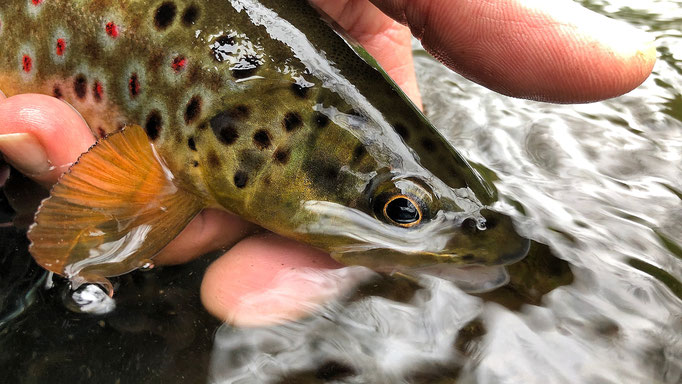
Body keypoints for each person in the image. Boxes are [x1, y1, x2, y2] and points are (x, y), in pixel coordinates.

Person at [0, 0, 656, 326]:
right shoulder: (191, 154)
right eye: (397, 210)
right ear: (226, 130)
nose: (407, 222)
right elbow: (78, 235)